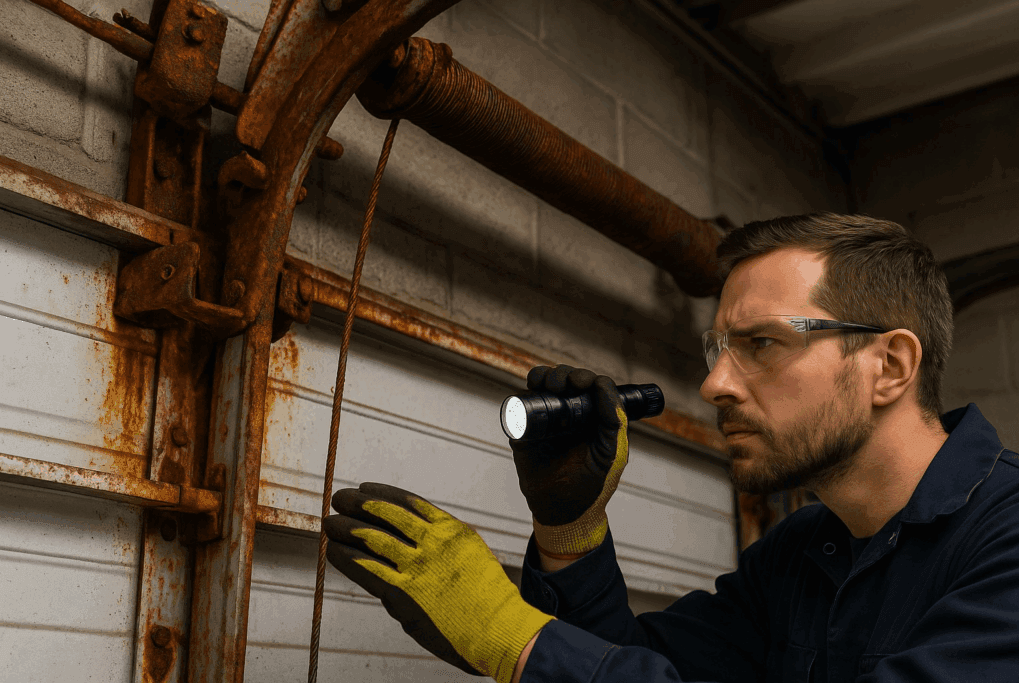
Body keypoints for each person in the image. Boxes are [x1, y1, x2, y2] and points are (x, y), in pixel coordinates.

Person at [322, 212, 1019, 682]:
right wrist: (571, 534)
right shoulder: (803, 550)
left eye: (762, 343)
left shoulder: (1005, 538)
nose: (715, 384)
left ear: (890, 366)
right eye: (719, 349)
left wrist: (519, 639)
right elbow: (638, 660)